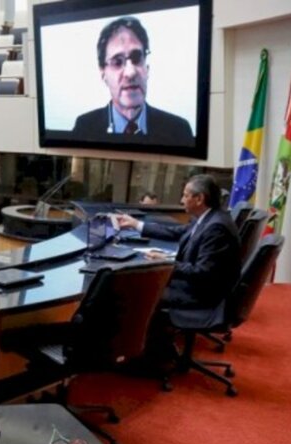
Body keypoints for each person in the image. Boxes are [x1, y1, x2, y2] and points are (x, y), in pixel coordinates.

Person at [114, 174, 240, 309]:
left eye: (185, 196)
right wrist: (135, 224)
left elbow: (202, 272)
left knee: (135, 291)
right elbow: (174, 232)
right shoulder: (207, 217)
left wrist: (166, 262)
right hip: (193, 286)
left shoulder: (216, 228)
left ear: (199, 199)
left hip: (200, 295)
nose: (181, 200)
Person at [71, 16, 194, 147]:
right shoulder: (84, 127)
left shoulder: (179, 131)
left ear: (147, 68)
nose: (131, 72)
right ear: (103, 73)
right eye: (117, 62)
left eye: (137, 58)